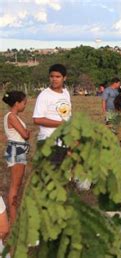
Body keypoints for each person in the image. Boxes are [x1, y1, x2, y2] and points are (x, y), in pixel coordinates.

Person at [33, 64, 72, 164]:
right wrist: (61, 124)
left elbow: (67, 115)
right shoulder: (44, 95)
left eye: (58, 77)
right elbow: (37, 119)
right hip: (49, 141)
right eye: (52, 76)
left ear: (65, 78)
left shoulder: (65, 93)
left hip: (63, 141)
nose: (54, 79)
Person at [3, 91, 29, 224]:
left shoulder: (12, 116)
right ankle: (13, 218)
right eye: (24, 103)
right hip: (16, 150)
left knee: (16, 184)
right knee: (15, 185)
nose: (25, 105)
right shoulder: (12, 116)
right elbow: (25, 135)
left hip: (17, 149)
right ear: (17, 103)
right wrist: (27, 132)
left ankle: (14, 215)